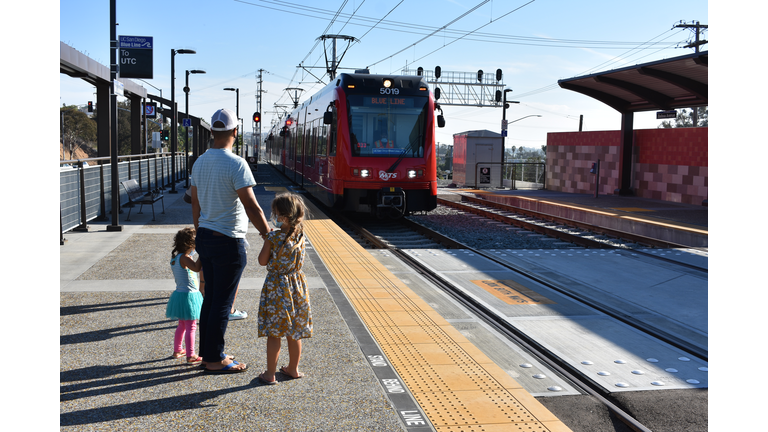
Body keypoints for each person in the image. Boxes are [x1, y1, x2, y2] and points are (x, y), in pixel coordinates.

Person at [190, 108, 271, 374]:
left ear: (212, 132)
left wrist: (199, 234)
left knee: (211, 300)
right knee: (222, 303)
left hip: (205, 236)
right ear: (235, 132)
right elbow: (252, 206)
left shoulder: (199, 162)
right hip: (228, 241)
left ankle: (210, 353)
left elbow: (195, 204)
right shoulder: (237, 164)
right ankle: (214, 359)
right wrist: (268, 234)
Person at [256, 193, 313, 385]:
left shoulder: (272, 237)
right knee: (294, 332)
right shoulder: (301, 236)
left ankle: (270, 374)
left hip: (276, 288)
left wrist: (267, 240)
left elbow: (262, 261)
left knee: (275, 332)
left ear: (280, 216)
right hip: (297, 286)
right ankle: (293, 369)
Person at [165, 227, 204, 363]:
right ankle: (191, 355)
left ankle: (177, 350)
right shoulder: (184, 258)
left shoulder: (176, 258)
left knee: (181, 324)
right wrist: (203, 253)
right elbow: (197, 268)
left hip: (180, 295)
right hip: (189, 297)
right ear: (191, 244)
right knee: (191, 326)